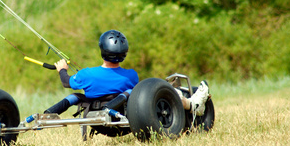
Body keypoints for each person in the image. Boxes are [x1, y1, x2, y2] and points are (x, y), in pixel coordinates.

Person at [42, 29, 210, 117]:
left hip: (94, 114)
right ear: (124, 53)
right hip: (119, 114)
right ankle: (191, 104)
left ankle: (48, 114)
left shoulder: (87, 74)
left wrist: (62, 69)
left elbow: (66, 82)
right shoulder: (131, 76)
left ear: (102, 50)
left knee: (74, 96)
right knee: (161, 90)